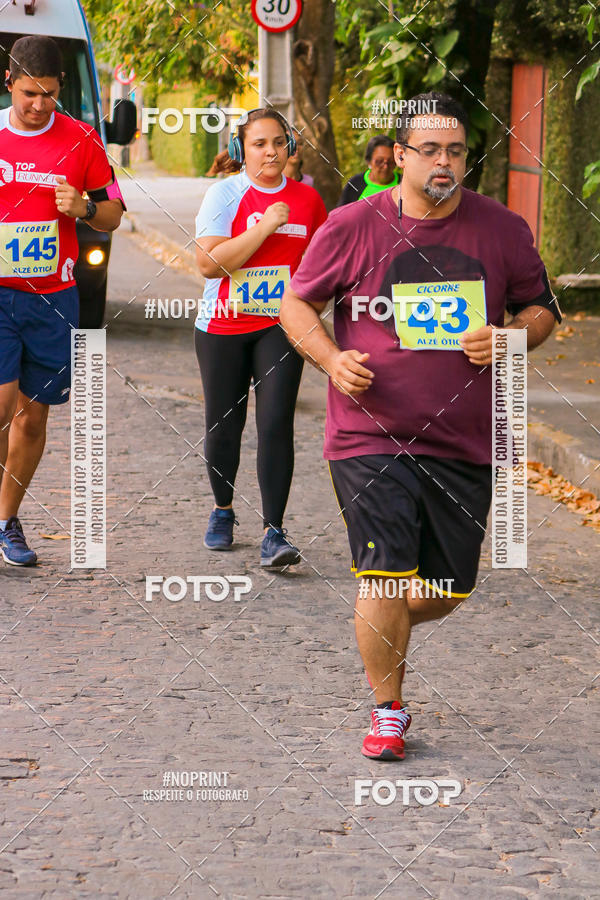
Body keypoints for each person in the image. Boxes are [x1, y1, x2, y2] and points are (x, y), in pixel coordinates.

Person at [280, 91, 560, 759]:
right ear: (399, 156)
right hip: (368, 432)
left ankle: (375, 628)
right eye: (429, 150)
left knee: (449, 589)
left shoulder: (501, 230)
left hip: (464, 438)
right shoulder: (352, 225)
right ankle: (387, 712)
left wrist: (509, 338)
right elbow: (295, 304)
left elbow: (543, 311)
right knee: (382, 575)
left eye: (456, 151)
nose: (444, 162)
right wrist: (330, 357)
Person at [0, 35, 125, 566]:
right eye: (29, 93)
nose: (38, 105)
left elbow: (115, 213)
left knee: (33, 418)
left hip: (54, 298)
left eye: (48, 94)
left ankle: (6, 521)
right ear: (9, 84)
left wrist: (84, 207)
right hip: (1, 293)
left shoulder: (81, 140)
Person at [194, 108, 327, 566]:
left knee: (275, 423)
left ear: (290, 147)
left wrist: (309, 313)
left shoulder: (309, 201)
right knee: (224, 425)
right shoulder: (223, 195)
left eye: (278, 142)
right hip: (223, 327)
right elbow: (209, 264)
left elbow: (320, 271)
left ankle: (275, 531)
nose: (270, 152)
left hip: (279, 326)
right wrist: (266, 224)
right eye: (258, 144)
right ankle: (223, 510)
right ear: (240, 150)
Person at [338, 134, 398, 205]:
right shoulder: (356, 184)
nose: (385, 166)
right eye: (379, 161)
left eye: (391, 161)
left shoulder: (404, 182)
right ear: (369, 161)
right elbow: (341, 213)